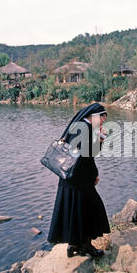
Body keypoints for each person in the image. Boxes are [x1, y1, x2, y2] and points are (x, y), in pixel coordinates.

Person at [47, 103, 110, 258]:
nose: (103, 122)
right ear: (94, 116)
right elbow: (86, 158)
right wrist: (94, 174)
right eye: (102, 118)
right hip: (79, 179)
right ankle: (86, 246)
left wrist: (99, 140)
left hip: (70, 178)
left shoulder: (81, 126)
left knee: (73, 211)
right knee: (90, 210)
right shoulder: (85, 129)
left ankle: (74, 245)